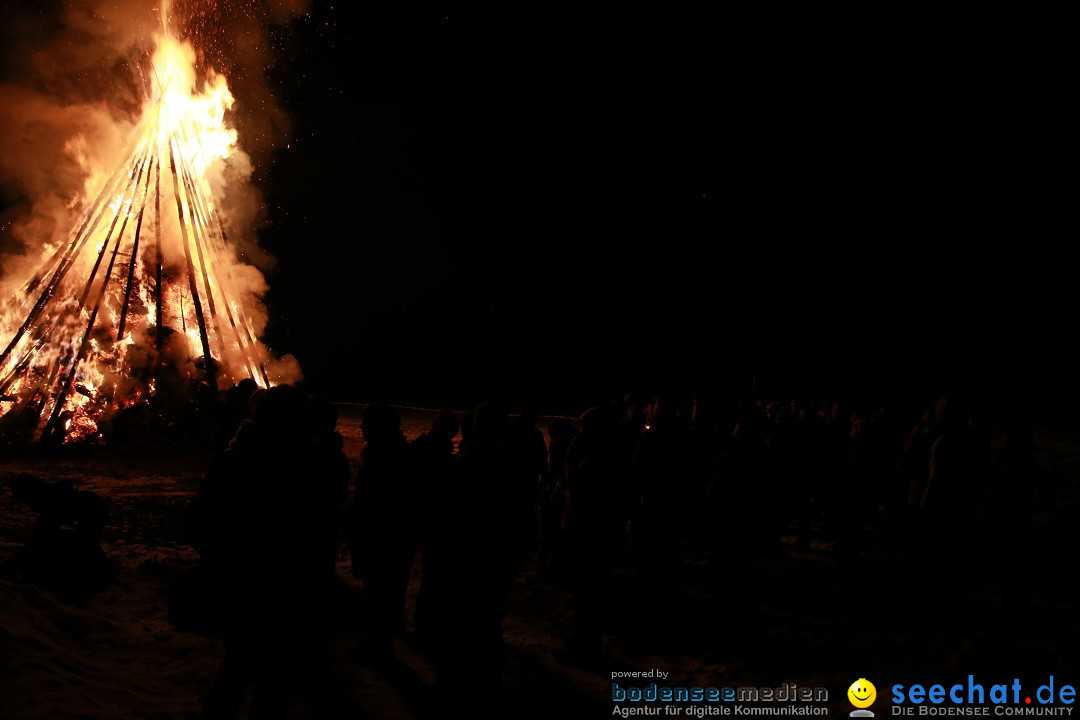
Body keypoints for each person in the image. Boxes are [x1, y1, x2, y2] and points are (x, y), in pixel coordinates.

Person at [0, 472, 111, 603]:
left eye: (25, 499)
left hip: (94, 511)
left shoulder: (50, 502)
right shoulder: (47, 500)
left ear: (32, 493)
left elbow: (41, 539)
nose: (28, 506)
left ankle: (94, 576)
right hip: (88, 513)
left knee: (81, 546)